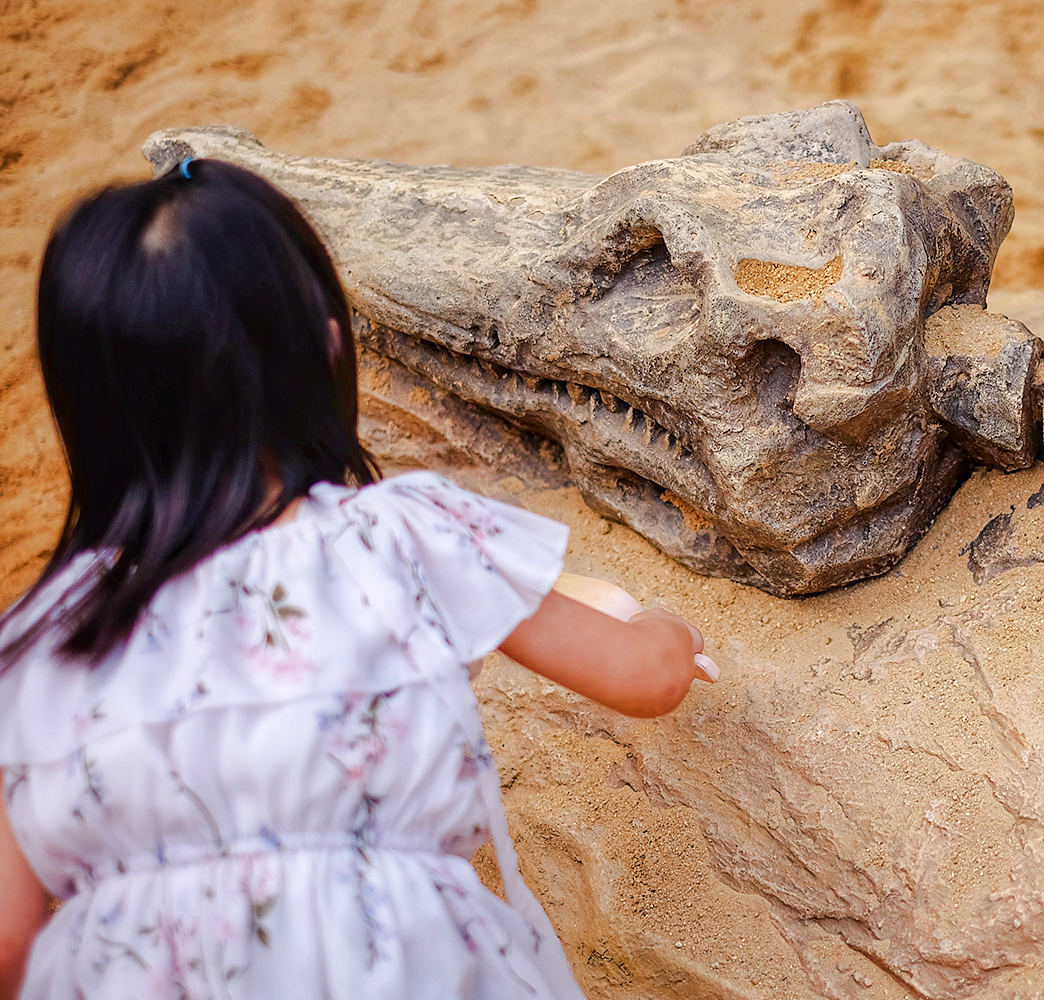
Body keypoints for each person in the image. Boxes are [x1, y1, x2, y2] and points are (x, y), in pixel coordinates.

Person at [0, 158, 716, 1000]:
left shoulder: (31, 638)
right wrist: (669, 625)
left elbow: (11, 941)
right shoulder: (394, 533)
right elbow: (646, 678)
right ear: (326, 345)